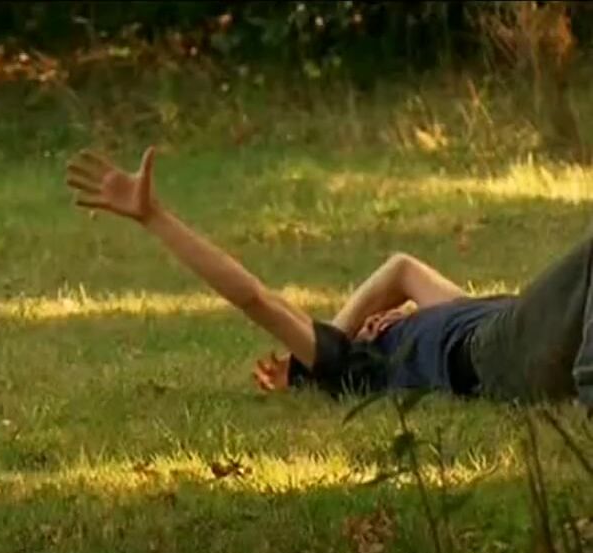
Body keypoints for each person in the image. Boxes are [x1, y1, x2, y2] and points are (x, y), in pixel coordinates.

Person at [65, 146, 593, 407]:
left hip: (528, 327)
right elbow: (254, 297)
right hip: (501, 354)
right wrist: (155, 217)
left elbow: (402, 269)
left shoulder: (444, 317)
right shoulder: (355, 364)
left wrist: (374, 317)